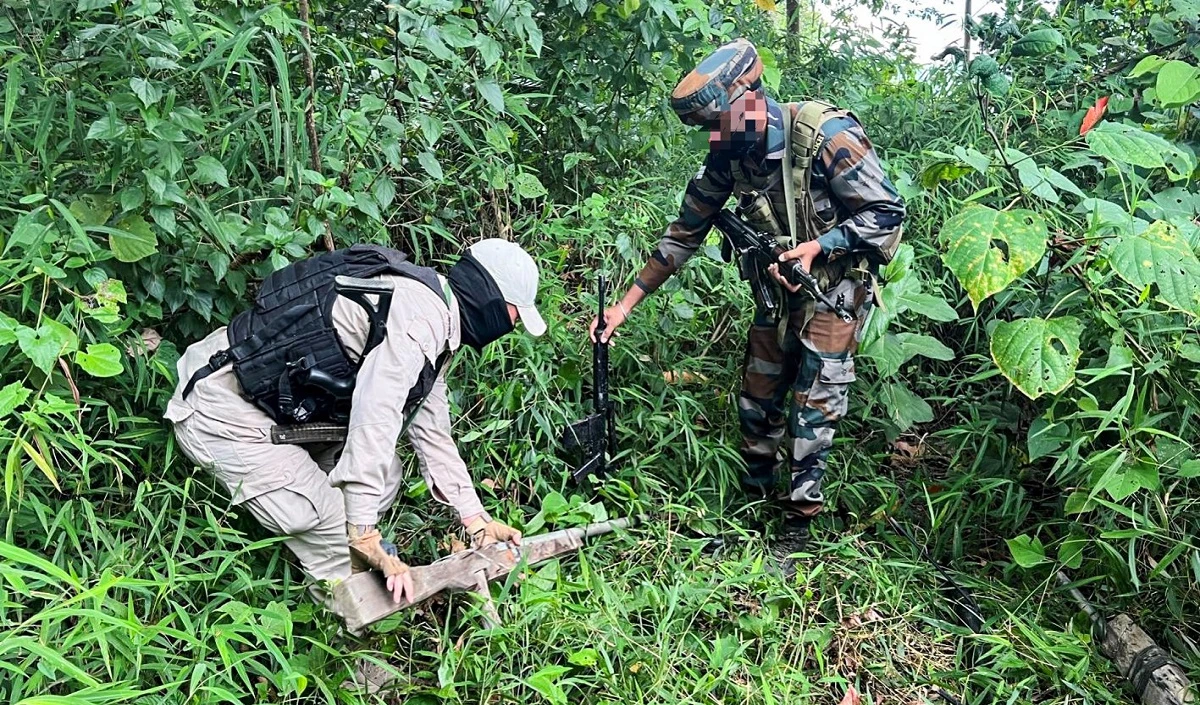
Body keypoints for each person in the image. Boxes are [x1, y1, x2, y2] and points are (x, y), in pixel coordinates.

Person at [591, 38, 905, 540]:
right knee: (757, 400)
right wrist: (624, 306)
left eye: (718, 125)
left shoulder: (824, 135)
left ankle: (797, 527)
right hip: (775, 293)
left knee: (813, 406)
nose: (714, 139)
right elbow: (684, 232)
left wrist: (819, 247)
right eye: (708, 130)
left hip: (833, 290)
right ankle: (752, 503)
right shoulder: (729, 156)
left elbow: (887, 213)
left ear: (751, 100)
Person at [165, 238, 545, 608]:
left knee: (386, 476)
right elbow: (375, 416)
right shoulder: (419, 319)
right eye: (515, 312)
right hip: (218, 410)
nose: (512, 325)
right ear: (490, 298)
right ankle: (343, 630)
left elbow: (432, 433)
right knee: (330, 520)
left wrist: (474, 518)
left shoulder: (439, 322)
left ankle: (347, 562)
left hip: (273, 411)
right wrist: (362, 533)